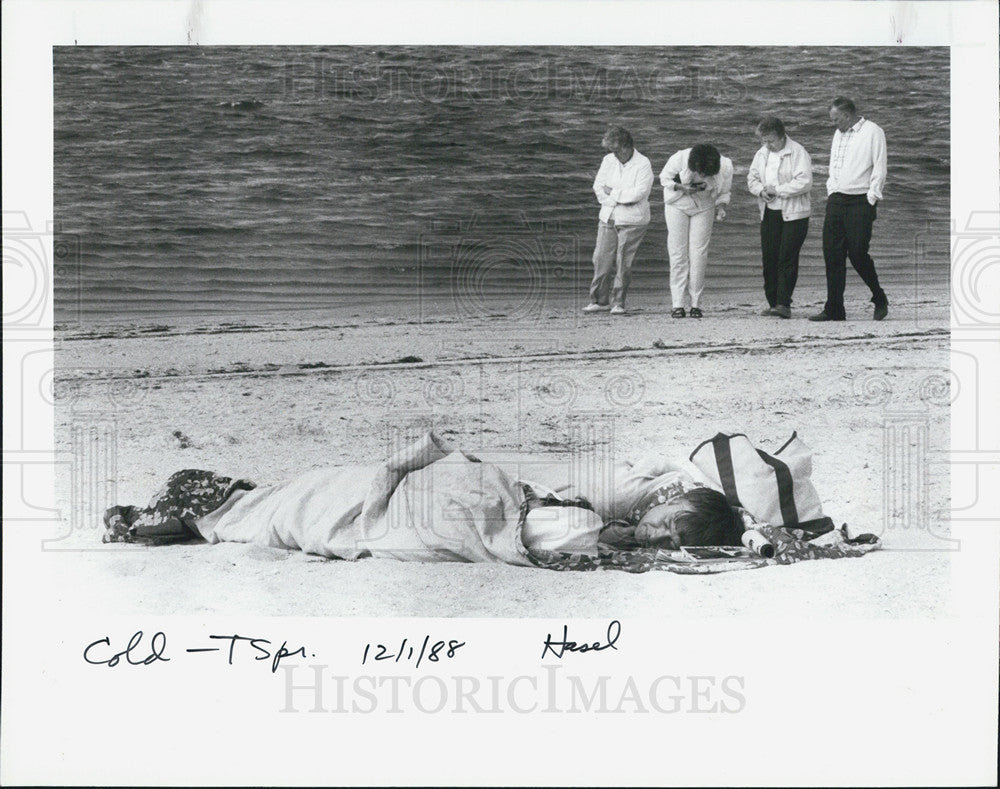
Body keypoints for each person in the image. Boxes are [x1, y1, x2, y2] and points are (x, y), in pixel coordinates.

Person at [810, 96, 889, 322]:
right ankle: (835, 309)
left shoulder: (873, 131)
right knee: (832, 255)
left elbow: (880, 167)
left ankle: (879, 296)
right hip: (837, 199)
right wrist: (831, 189)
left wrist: (872, 197)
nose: (834, 123)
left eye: (835, 119)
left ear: (846, 115)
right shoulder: (839, 134)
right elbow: (834, 165)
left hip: (860, 201)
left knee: (857, 253)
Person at [746, 116, 813, 319]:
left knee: (787, 258)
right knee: (769, 258)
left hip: (795, 214)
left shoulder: (798, 152)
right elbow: (752, 178)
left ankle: (784, 304)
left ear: (782, 136)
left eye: (771, 141)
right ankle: (773, 302)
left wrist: (778, 190)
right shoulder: (762, 153)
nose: (767, 145)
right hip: (769, 211)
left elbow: (805, 182)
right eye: (763, 141)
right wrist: (761, 191)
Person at [584, 126, 654, 316]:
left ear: (626, 147)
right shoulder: (608, 160)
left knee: (623, 261)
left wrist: (613, 192)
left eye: (615, 151)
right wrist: (615, 199)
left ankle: (618, 302)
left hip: (633, 219)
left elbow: (639, 193)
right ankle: (599, 300)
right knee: (600, 258)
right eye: (611, 151)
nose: (613, 155)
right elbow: (598, 187)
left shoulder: (643, 164)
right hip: (608, 215)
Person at [659, 144, 733, 318]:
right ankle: (677, 304)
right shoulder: (679, 157)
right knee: (677, 253)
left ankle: (695, 304)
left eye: (707, 175)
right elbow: (664, 178)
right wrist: (681, 187)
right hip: (677, 204)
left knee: (699, 254)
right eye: (700, 173)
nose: (703, 176)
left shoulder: (726, 165)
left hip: (705, 206)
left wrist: (721, 208)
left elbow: (724, 191)